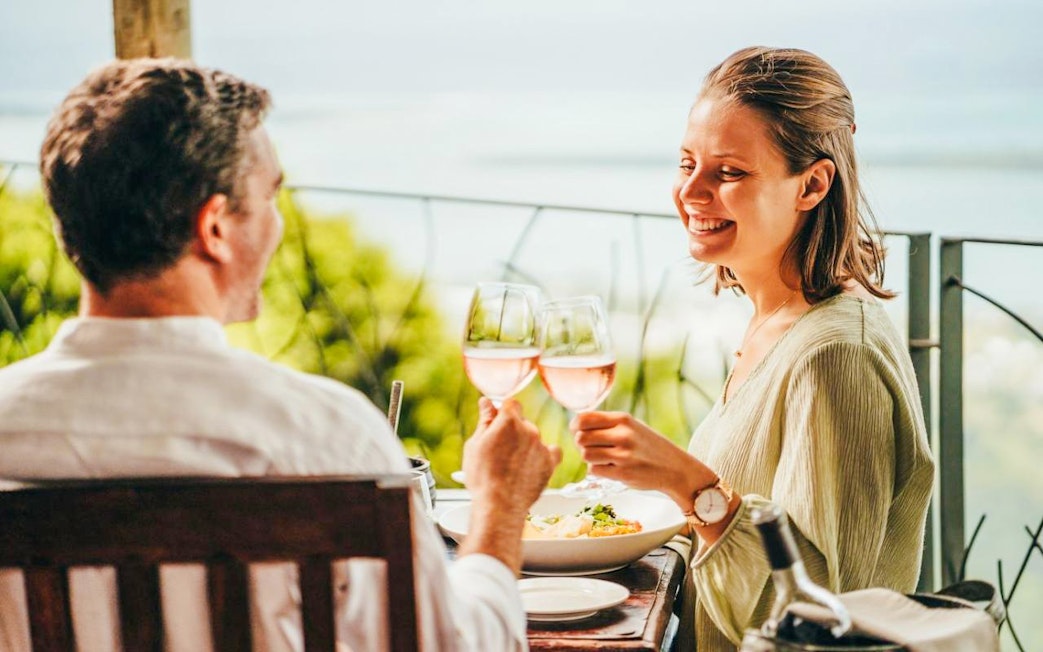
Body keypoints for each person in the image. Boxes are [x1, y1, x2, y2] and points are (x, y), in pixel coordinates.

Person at [0, 57, 560, 652]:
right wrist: (500, 505)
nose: (278, 225)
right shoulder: (325, 439)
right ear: (214, 227)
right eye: (271, 198)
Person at [570, 47, 935, 651]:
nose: (691, 191)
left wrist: (689, 484)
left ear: (813, 185)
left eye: (730, 172)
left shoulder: (836, 356)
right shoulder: (780, 320)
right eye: (688, 163)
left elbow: (816, 616)